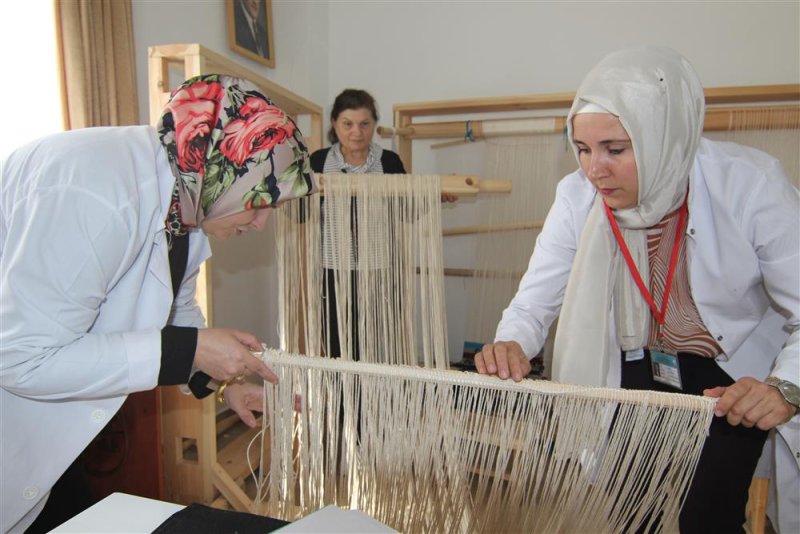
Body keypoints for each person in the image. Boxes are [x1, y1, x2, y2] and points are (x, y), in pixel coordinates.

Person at [475, 46, 799, 533]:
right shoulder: (577, 196)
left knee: (707, 517)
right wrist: (511, 344)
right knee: (631, 507)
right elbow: (534, 301)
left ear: (662, 137)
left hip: (727, 378)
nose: (594, 170)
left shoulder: (749, 185)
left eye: (615, 149)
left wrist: (786, 387)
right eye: (582, 149)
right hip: (635, 366)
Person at [0, 74, 317, 533]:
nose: (261, 223)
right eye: (261, 201)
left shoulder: (184, 199)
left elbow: (175, 312)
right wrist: (193, 351)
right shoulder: (96, 192)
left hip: (43, 437)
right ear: (223, 170)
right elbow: (21, 356)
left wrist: (224, 383)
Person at [309, 88, 456, 359]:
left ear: (374, 125)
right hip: (332, 270)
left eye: (364, 124)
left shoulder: (388, 162)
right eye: (348, 124)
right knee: (336, 348)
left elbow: (405, 212)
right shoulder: (318, 162)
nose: (357, 132)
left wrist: (435, 196)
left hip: (379, 271)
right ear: (334, 124)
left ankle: (375, 402)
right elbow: (302, 213)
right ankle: (343, 403)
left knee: (378, 347)